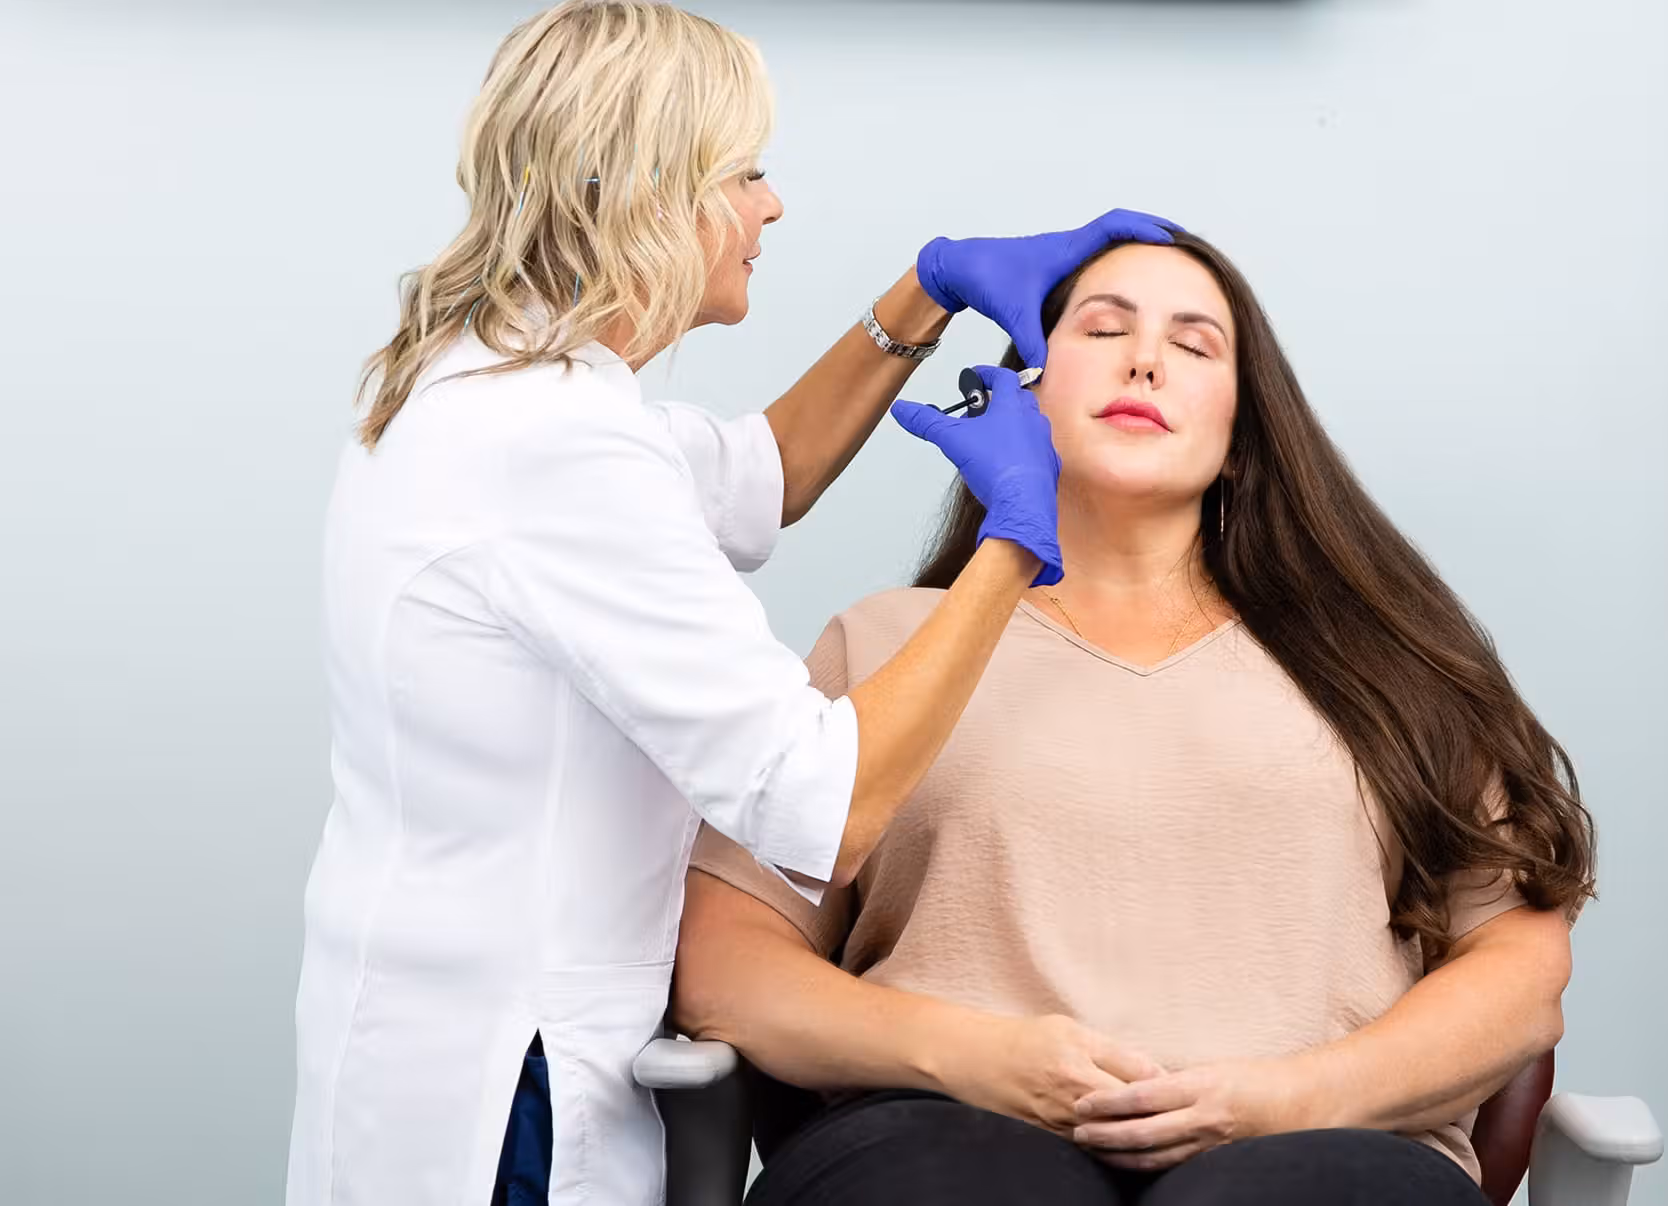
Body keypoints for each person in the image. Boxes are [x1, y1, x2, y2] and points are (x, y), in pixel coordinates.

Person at [285, 3, 1177, 1204]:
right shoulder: (553, 451)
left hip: (437, 1018)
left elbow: (765, 476)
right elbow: (827, 806)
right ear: (651, 193)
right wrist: (1017, 542)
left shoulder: (501, 388)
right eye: (745, 172)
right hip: (510, 1079)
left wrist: (924, 292)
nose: (772, 205)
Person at [675, 231, 1599, 1206]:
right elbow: (728, 962)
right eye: (1104, 330)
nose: (1145, 360)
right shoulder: (883, 643)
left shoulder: (1387, 666)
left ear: (1243, 440)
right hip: (937, 1135)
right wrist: (971, 1056)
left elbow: (1520, 967)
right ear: (1022, 396)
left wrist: (1295, 1098)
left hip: (1327, 1143)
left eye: (1193, 345)